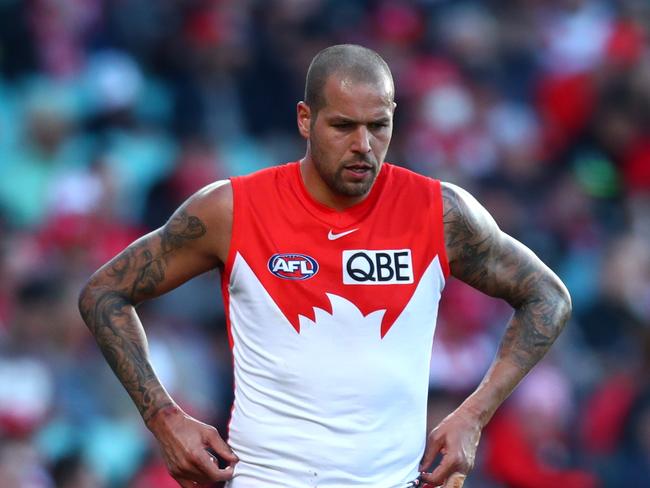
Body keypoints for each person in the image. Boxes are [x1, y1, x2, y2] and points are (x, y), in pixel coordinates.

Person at [78, 44, 572, 488]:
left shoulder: (440, 214)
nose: (363, 145)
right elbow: (103, 293)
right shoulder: (232, 210)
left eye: (378, 126)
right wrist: (163, 417)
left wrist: (475, 415)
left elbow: (547, 297)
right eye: (343, 126)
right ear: (304, 118)